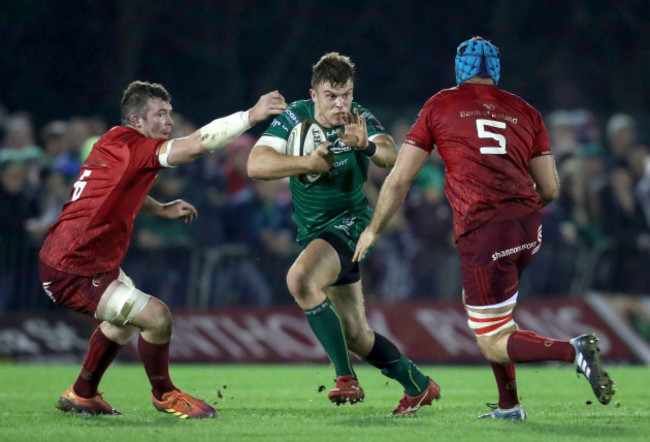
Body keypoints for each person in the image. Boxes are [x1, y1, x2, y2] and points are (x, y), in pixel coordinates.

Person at [353, 37, 615, 420]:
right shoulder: (526, 110)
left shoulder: (441, 104)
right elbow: (552, 188)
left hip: (485, 230)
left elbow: (398, 179)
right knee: (486, 312)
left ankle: (572, 351)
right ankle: (509, 406)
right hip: (529, 228)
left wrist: (374, 229)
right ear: (495, 70)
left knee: (493, 340)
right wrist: (516, 217)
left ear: (460, 69)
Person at [39, 80, 287, 418]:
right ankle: (164, 394)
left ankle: (82, 394)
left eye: (169, 113)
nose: (168, 121)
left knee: (124, 324)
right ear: (137, 122)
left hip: (80, 259)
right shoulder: (137, 148)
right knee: (157, 318)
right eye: (160, 114)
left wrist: (160, 209)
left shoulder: (112, 141)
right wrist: (251, 115)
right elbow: (198, 145)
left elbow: (117, 191)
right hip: (74, 268)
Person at [247, 52, 440, 416]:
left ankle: (345, 378)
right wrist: (307, 163)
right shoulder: (294, 117)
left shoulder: (358, 118)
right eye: (332, 95)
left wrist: (363, 145)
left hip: (351, 225)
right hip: (315, 234)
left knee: (301, 280)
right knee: (356, 334)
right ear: (314, 94)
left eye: (346, 94)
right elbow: (256, 164)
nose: (341, 104)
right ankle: (418, 385)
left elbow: (389, 154)